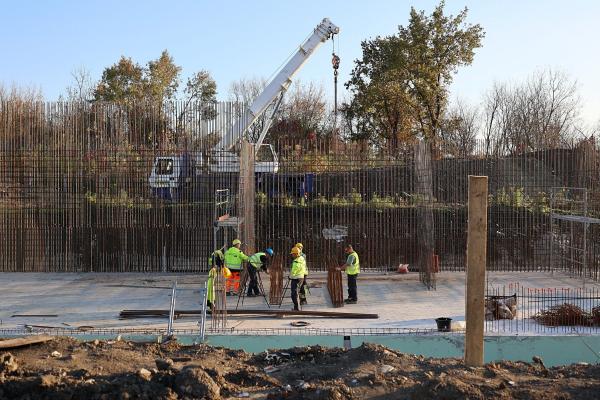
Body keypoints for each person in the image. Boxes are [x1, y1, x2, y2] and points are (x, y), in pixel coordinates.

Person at [289, 246, 306, 311]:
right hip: (302, 276)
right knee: (300, 291)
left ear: (296, 254)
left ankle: (297, 307)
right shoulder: (302, 258)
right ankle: (302, 301)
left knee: (294, 293)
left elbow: (294, 271)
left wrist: (290, 276)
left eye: (293, 254)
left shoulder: (296, 261)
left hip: (296, 278)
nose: (292, 255)